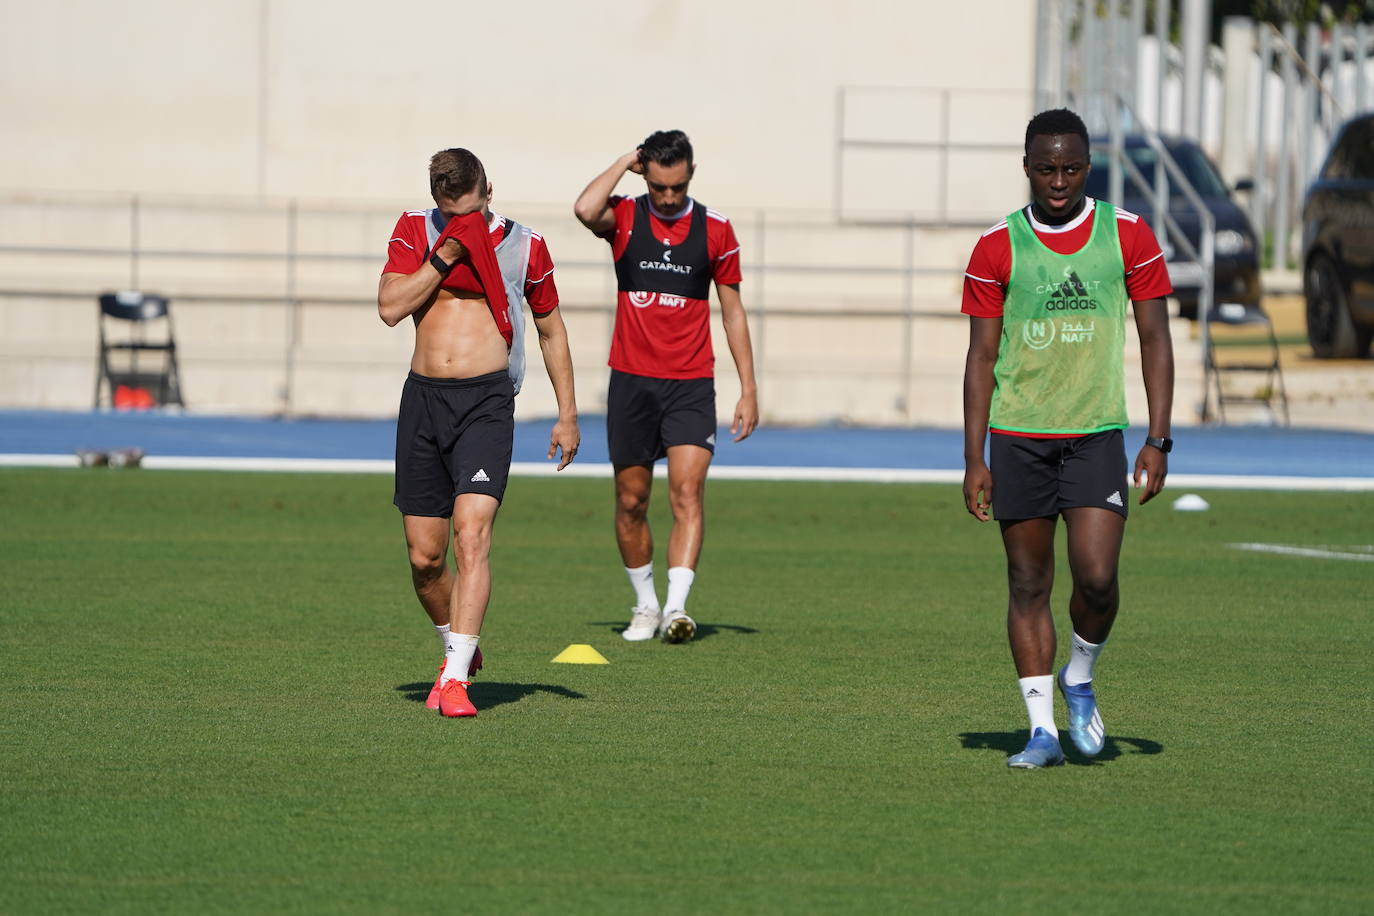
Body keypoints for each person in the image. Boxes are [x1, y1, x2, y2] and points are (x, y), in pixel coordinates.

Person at [960, 109, 1175, 768]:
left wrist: (1158, 438)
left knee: (1098, 580)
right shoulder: (996, 245)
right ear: (1027, 167)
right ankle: (1041, 732)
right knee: (1028, 583)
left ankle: (1078, 676)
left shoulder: (1128, 235)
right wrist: (973, 457)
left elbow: (1155, 338)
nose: (1059, 181)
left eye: (1072, 168)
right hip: (1018, 438)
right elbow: (980, 356)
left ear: (1088, 167)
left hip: (1095, 436)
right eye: (1047, 169)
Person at [379, 148, 580, 718]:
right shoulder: (417, 230)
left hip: (486, 403)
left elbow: (551, 330)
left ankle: (453, 679)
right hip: (424, 400)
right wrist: (444, 255)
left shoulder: (525, 245)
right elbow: (390, 307)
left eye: (469, 212)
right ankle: (459, 644)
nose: (462, 222)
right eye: (451, 213)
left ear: (489, 192)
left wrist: (567, 412)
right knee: (425, 558)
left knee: (472, 535)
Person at [573, 130, 759, 643]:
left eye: (678, 187)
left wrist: (748, 387)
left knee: (687, 493)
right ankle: (647, 605)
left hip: (691, 383)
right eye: (659, 187)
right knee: (631, 501)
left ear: (691, 175)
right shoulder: (626, 217)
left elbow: (733, 311)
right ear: (646, 178)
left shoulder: (716, 229)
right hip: (632, 382)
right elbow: (585, 209)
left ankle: (677, 608)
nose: (669, 197)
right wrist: (625, 160)